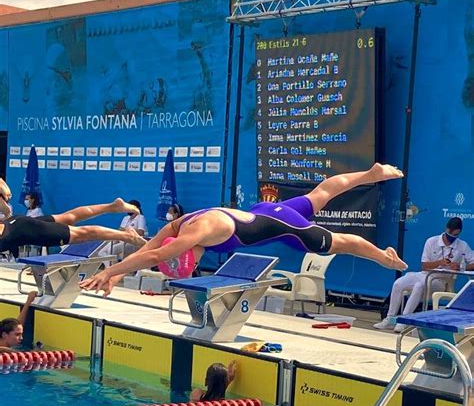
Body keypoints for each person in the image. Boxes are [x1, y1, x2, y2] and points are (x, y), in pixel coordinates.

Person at [80, 163, 408, 297]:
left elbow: (157, 252)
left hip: (285, 227)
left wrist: (109, 271)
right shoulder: (183, 223)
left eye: (190, 265)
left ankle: (383, 257)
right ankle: (370, 173)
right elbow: (152, 245)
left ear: (187, 257)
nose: (193, 267)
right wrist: (119, 275)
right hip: (262, 212)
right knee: (320, 193)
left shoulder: (196, 235)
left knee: (337, 243)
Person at [0, 178, 145, 258]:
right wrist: (4, 200)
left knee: (82, 234)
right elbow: (4, 188)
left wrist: (3, 204)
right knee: (69, 217)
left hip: (19, 231)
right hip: (15, 224)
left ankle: (126, 236)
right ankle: (113, 207)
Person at [375, 217, 474, 333]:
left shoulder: (462, 245)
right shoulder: (431, 241)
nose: (452, 238)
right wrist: (440, 262)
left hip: (441, 281)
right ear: (446, 229)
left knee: (419, 285)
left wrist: (461, 267)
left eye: (456, 235)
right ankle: (389, 318)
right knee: (398, 283)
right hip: (425, 274)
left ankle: (404, 320)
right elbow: (424, 266)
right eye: (450, 234)